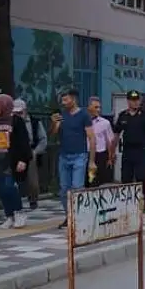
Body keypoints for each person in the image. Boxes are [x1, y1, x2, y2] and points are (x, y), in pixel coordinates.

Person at [50, 89, 96, 228]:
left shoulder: (83, 115)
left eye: (66, 100)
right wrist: (55, 125)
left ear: (73, 100)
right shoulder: (61, 115)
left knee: (77, 187)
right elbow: (52, 135)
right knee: (64, 189)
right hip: (64, 155)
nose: (64, 103)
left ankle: (79, 216)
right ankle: (69, 216)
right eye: (62, 100)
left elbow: (91, 138)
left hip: (79, 156)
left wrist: (92, 161)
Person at [0, 95, 32, 229]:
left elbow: (24, 142)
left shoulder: (16, 121)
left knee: (9, 187)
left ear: (4, 106)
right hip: (0, 160)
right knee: (2, 189)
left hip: (13, 160)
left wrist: (23, 160)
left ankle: (19, 212)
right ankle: (9, 216)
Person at [114, 90, 145, 198]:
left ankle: (143, 201)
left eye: (137, 100)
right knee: (126, 178)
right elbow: (116, 135)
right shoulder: (123, 116)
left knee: (142, 177)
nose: (135, 102)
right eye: (132, 100)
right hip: (127, 151)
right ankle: (127, 202)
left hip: (141, 151)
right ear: (128, 101)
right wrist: (112, 152)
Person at [13, 100, 46, 209]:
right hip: (15, 152)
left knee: (32, 180)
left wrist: (36, 151)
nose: (18, 115)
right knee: (14, 180)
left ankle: (33, 199)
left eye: (20, 113)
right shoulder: (11, 122)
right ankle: (15, 201)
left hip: (30, 151)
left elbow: (43, 139)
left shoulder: (35, 122)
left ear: (25, 110)